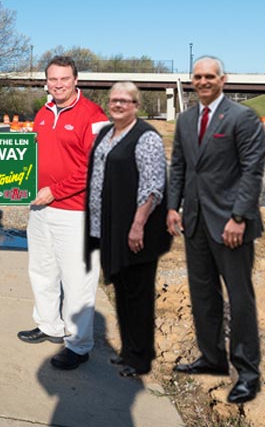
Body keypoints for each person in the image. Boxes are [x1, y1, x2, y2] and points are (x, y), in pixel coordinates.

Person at [167, 57, 265, 404]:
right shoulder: (186, 120)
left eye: (210, 76)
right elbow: (179, 166)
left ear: (223, 79)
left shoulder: (242, 118)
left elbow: (252, 170)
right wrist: (171, 207)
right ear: (192, 81)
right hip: (194, 223)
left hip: (231, 227)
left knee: (239, 301)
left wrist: (239, 217)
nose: (203, 81)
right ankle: (212, 358)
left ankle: (248, 375)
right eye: (198, 76)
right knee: (203, 297)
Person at [19, 55, 108, 370]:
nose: (58, 84)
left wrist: (57, 190)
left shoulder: (93, 115)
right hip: (40, 208)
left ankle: (79, 344)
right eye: (52, 79)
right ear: (47, 81)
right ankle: (49, 325)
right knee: (41, 270)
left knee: (77, 280)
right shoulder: (43, 113)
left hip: (75, 212)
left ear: (75, 80)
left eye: (64, 79)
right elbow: (32, 156)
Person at [83, 82, 171, 378]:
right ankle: (129, 352)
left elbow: (153, 187)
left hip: (137, 231)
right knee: (123, 293)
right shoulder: (108, 134)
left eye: (125, 100)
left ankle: (140, 359)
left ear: (136, 104)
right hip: (111, 227)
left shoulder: (146, 138)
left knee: (138, 296)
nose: (118, 104)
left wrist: (137, 225)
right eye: (114, 100)